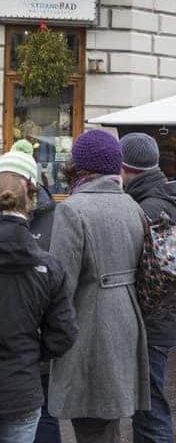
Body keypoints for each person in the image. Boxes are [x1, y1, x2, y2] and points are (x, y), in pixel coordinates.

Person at [48, 130, 150, 443]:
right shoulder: (132, 206)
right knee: (109, 419)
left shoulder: (72, 209)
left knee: (90, 421)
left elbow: (59, 285)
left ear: (79, 166)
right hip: (127, 319)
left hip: (91, 324)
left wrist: (47, 335)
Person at [0, 156, 78, 443]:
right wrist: (33, 352)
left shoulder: (47, 266)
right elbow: (65, 332)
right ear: (30, 200)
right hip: (23, 386)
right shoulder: (48, 266)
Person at [120, 133, 176, 443]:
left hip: (152, 321)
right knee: (149, 403)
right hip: (165, 316)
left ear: (126, 168)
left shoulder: (148, 207)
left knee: (150, 410)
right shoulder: (166, 198)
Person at [6, 140, 62, 443]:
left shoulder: (55, 217)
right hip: (31, 364)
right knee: (44, 417)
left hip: (31, 361)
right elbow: (64, 324)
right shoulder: (56, 218)